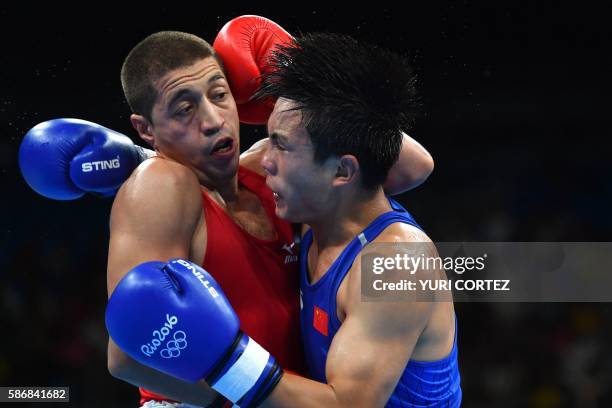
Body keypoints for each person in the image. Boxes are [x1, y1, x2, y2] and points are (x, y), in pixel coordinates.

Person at [18, 17, 435, 407]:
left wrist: (300, 87)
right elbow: (129, 356)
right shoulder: (160, 186)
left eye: (219, 95)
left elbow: (412, 167)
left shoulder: (267, 171)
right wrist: (237, 398)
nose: (214, 120)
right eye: (184, 109)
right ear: (145, 129)